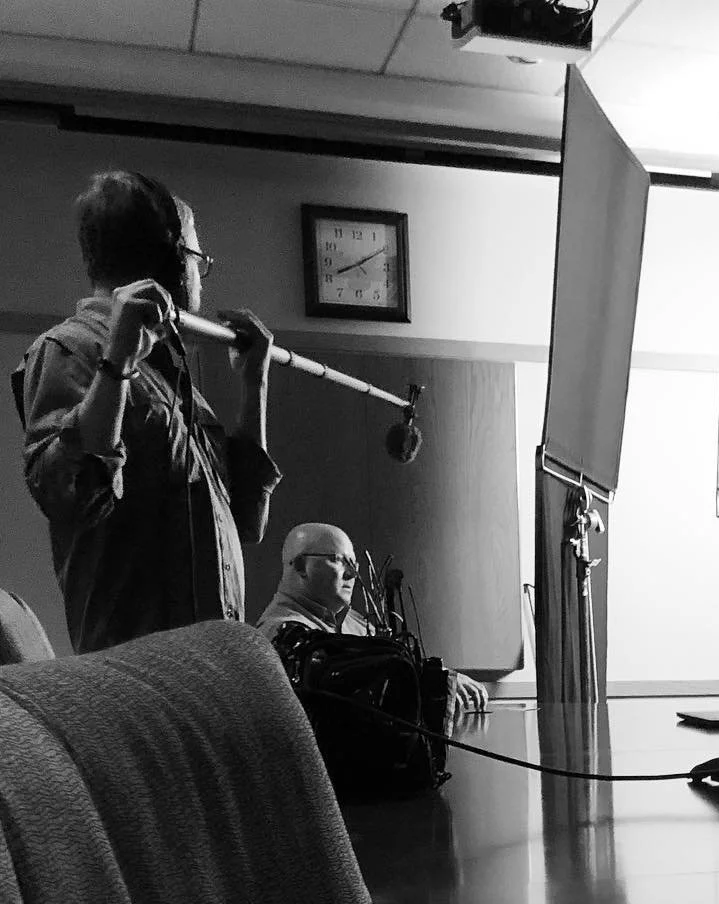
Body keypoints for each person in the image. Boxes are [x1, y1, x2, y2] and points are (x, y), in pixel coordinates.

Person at [13, 171, 281, 654]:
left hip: (212, 663)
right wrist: (117, 362)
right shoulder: (70, 350)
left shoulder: (169, 374)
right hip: (142, 677)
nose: (199, 273)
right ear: (170, 257)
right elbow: (72, 495)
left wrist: (254, 385)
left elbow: (247, 521)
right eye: (198, 258)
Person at [256, 522, 489, 714]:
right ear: (300, 566)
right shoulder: (282, 635)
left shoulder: (353, 622)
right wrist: (433, 683)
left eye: (354, 564)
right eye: (339, 560)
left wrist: (440, 677)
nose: (353, 573)